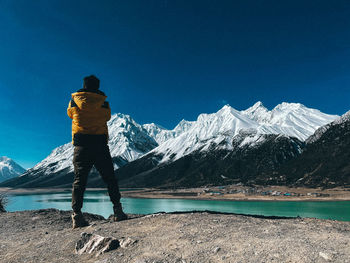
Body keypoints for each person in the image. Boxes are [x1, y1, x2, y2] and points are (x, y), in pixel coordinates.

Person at [67, 75, 127, 228]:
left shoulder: (74, 101)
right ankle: (118, 211)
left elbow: (70, 114)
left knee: (79, 180)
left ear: (84, 85)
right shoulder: (104, 104)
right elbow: (107, 117)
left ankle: (77, 215)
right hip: (99, 144)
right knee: (110, 178)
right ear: (97, 86)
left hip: (81, 145)